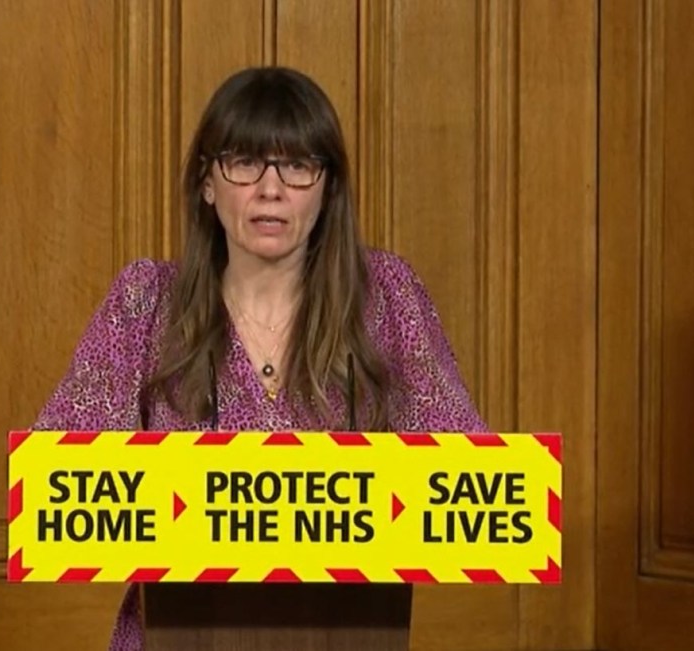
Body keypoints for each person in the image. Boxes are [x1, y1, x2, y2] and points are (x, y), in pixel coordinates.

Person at [33, 66, 487, 651]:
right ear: (207, 181)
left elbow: (469, 483)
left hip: (347, 634)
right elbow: (56, 489)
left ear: (328, 188)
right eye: (245, 162)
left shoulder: (388, 298)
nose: (270, 188)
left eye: (297, 165)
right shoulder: (144, 304)